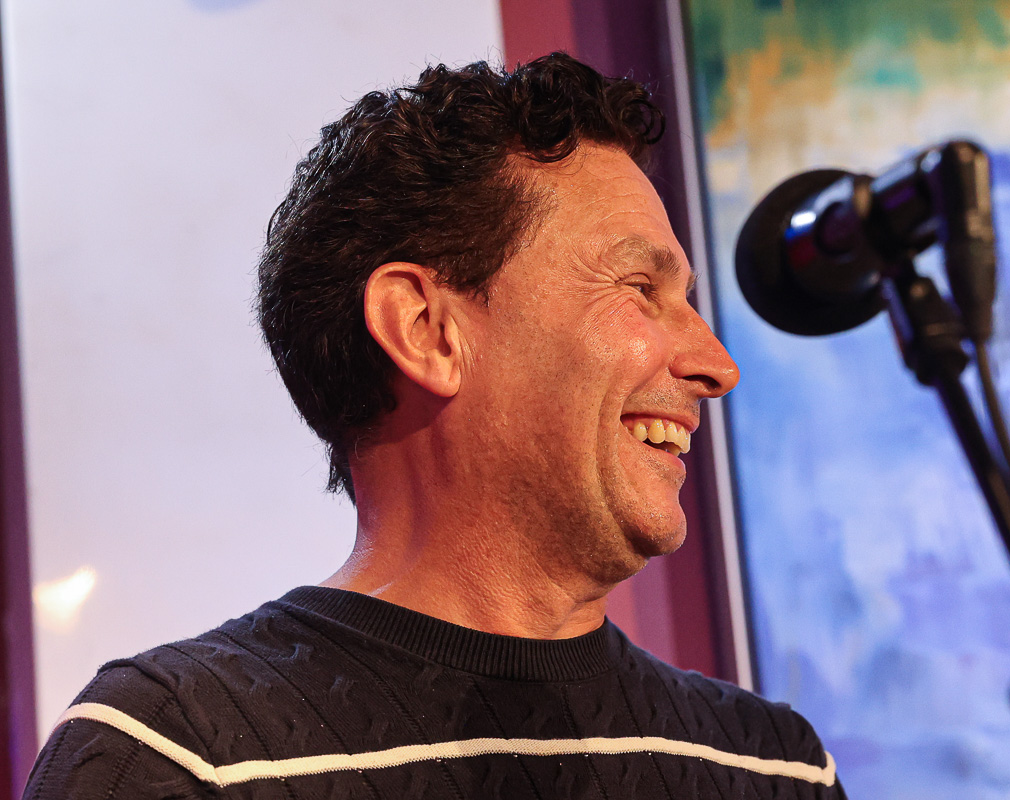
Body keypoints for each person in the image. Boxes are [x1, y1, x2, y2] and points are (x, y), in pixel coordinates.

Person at [24, 53, 845, 799]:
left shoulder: (772, 767)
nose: (717, 365)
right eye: (639, 289)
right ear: (426, 329)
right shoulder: (181, 754)